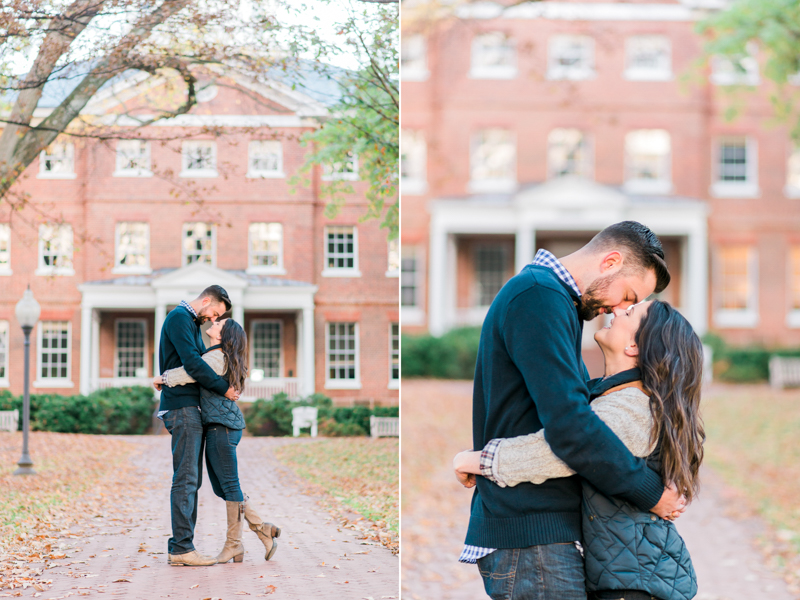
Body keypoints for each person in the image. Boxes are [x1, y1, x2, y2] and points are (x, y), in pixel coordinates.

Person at [457, 221, 686, 600]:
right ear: (610, 261)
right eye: (628, 295)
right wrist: (650, 492)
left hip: (541, 532)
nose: (620, 309)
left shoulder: (553, 300)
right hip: (530, 532)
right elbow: (571, 427)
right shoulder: (539, 297)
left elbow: (576, 417)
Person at [154, 318, 281, 563]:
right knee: (223, 487)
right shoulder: (216, 354)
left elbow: (191, 373)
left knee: (230, 486)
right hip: (220, 426)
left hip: (221, 428)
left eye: (220, 323)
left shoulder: (215, 357)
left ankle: (235, 544)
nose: (214, 322)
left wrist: (162, 378)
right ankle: (262, 529)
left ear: (225, 336)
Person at [157, 285, 239, 567]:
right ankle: (181, 548)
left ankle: (182, 546)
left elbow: (198, 363)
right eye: (214, 313)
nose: (212, 319)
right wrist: (223, 388)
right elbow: (193, 364)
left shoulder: (188, 321)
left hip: (189, 407)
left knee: (192, 479)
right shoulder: (180, 317)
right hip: (182, 407)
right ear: (205, 301)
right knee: (186, 479)